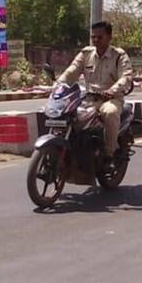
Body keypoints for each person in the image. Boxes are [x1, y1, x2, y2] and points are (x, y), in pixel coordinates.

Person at [57, 21, 133, 171]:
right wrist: (58, 85)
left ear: (109, 37)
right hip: (88, 99)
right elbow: (71, 71)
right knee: (66, 113)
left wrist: (113, 90)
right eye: (93, 37)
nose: (96, 40)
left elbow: (126, 77)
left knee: (109, 113)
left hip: (111, 99)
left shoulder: (119, 56)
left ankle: (109, 155)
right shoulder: (86, 54)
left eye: (100, 37)